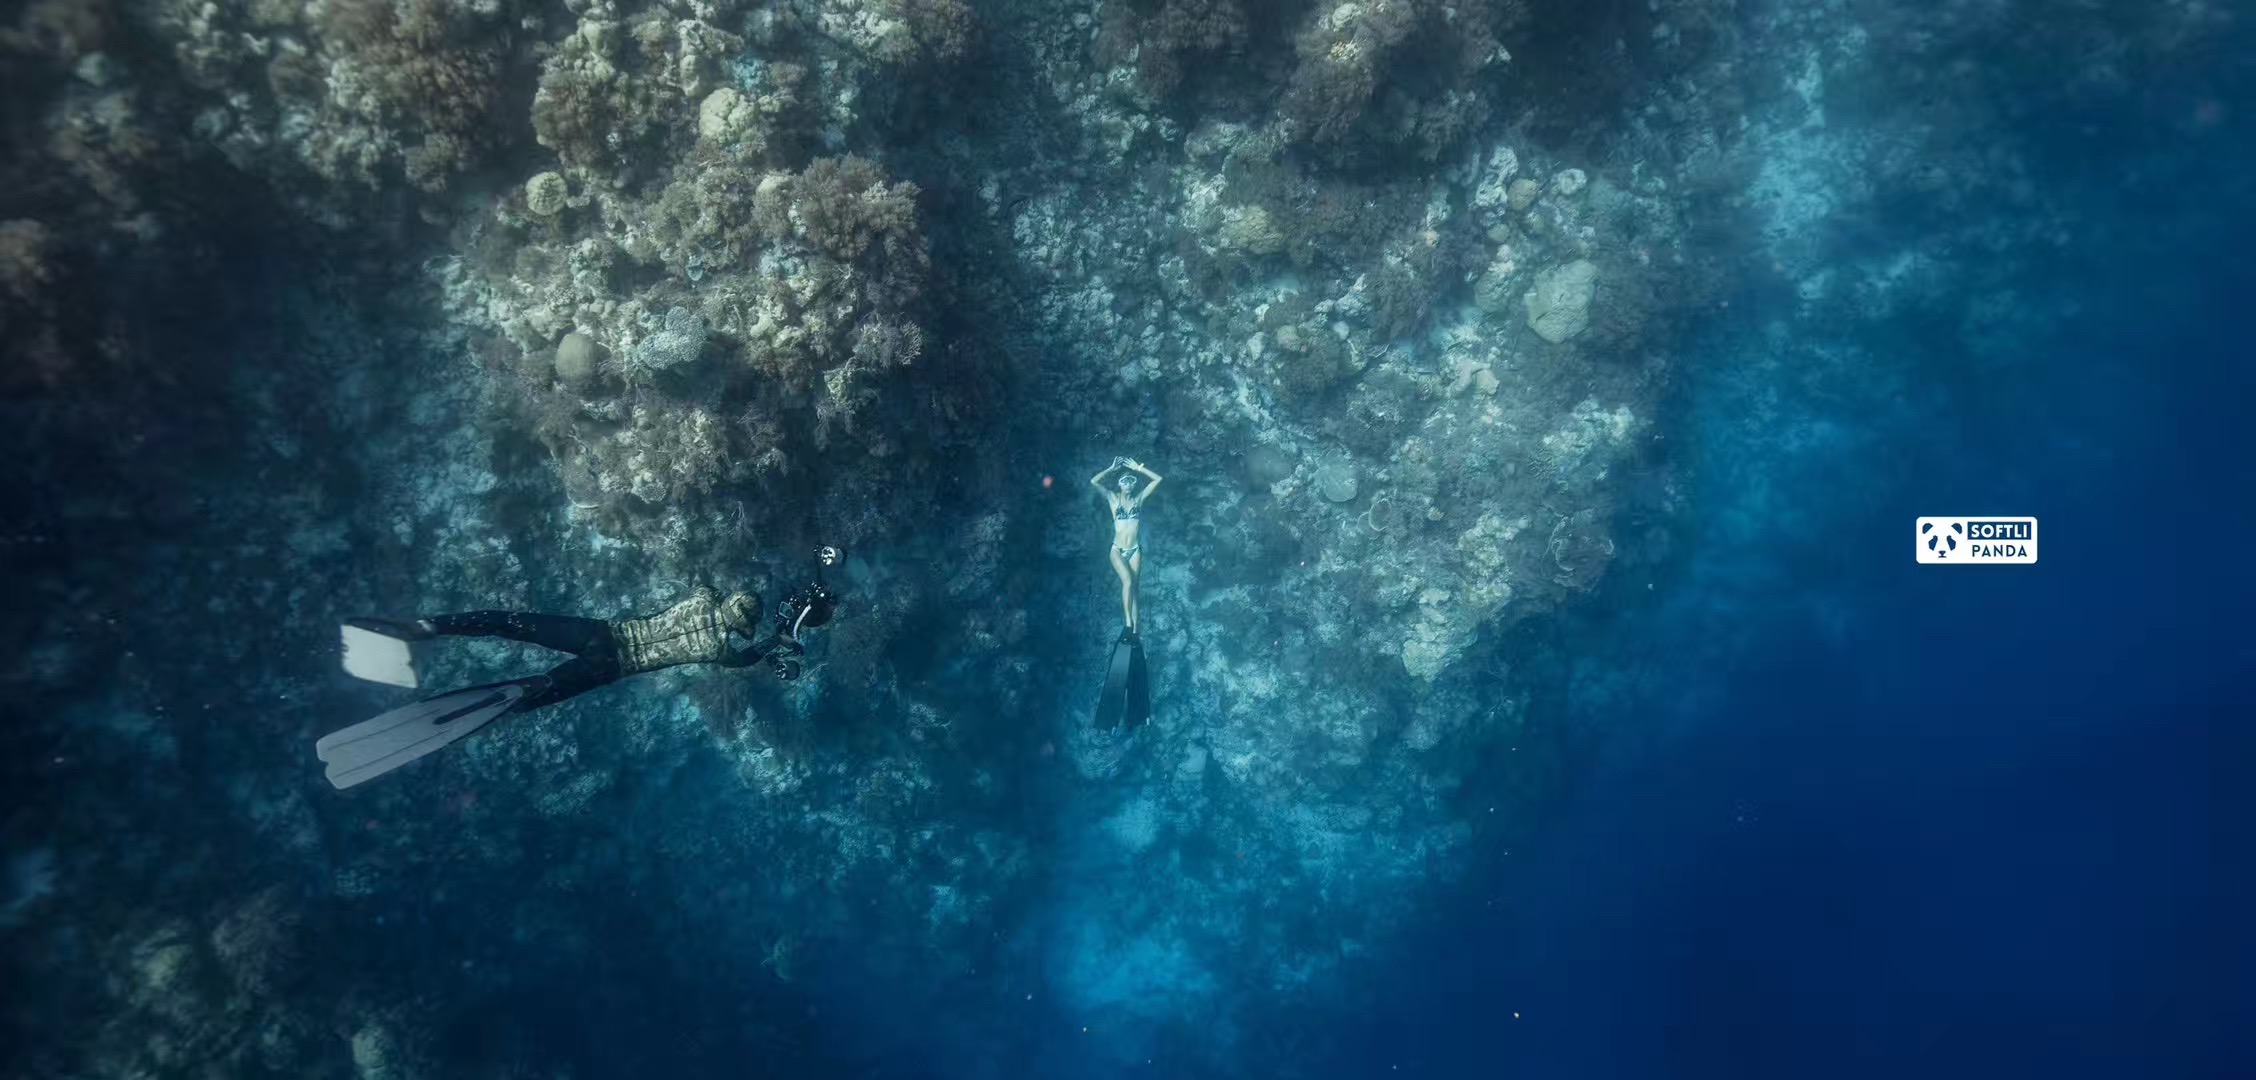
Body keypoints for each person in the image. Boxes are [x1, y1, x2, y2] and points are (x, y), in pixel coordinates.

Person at [315, 547, 842, 789]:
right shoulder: (721, 649)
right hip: (614, 665)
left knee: (511, 622)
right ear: (737, 624)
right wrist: (782, 638)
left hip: (603, 633)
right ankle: (509, 698)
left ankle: (427, 627)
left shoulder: (704, 598)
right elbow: (747, 658)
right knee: (538, 690)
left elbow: (705, 580)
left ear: (726, 601)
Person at [1090, 456, 1162, 635]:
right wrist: (1110, 469)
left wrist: (1139, 468)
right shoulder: (1113, 499)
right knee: (1128, 582)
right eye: (1124, 481)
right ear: (1119, 484)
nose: (1128, 484)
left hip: (1135, 550)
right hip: (1117, 550)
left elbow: (1158, 479)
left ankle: (1136, 628)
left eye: (1132, 481)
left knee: (1134, 589)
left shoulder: (1138, 500)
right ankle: (1128, 623)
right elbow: (1094, 481)